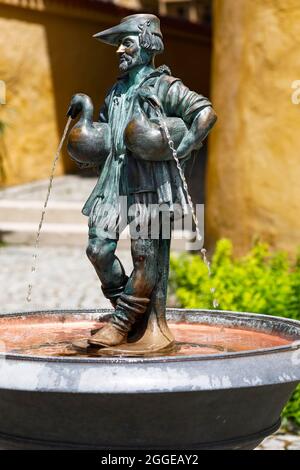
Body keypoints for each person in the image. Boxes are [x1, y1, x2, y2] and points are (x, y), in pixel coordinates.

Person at [67, 14, 217, 350]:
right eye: (119, 44)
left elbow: (205, 113)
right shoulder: (117, 91)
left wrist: (185, 144)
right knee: (98, 249)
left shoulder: (165, 85)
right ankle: (130, 315)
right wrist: (88, 133)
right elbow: (106, 131)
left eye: (127, 43)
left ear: (147, 44)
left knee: (146, 257)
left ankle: (122, 324)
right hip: (114, 180)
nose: (119, 50)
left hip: (153, 185)